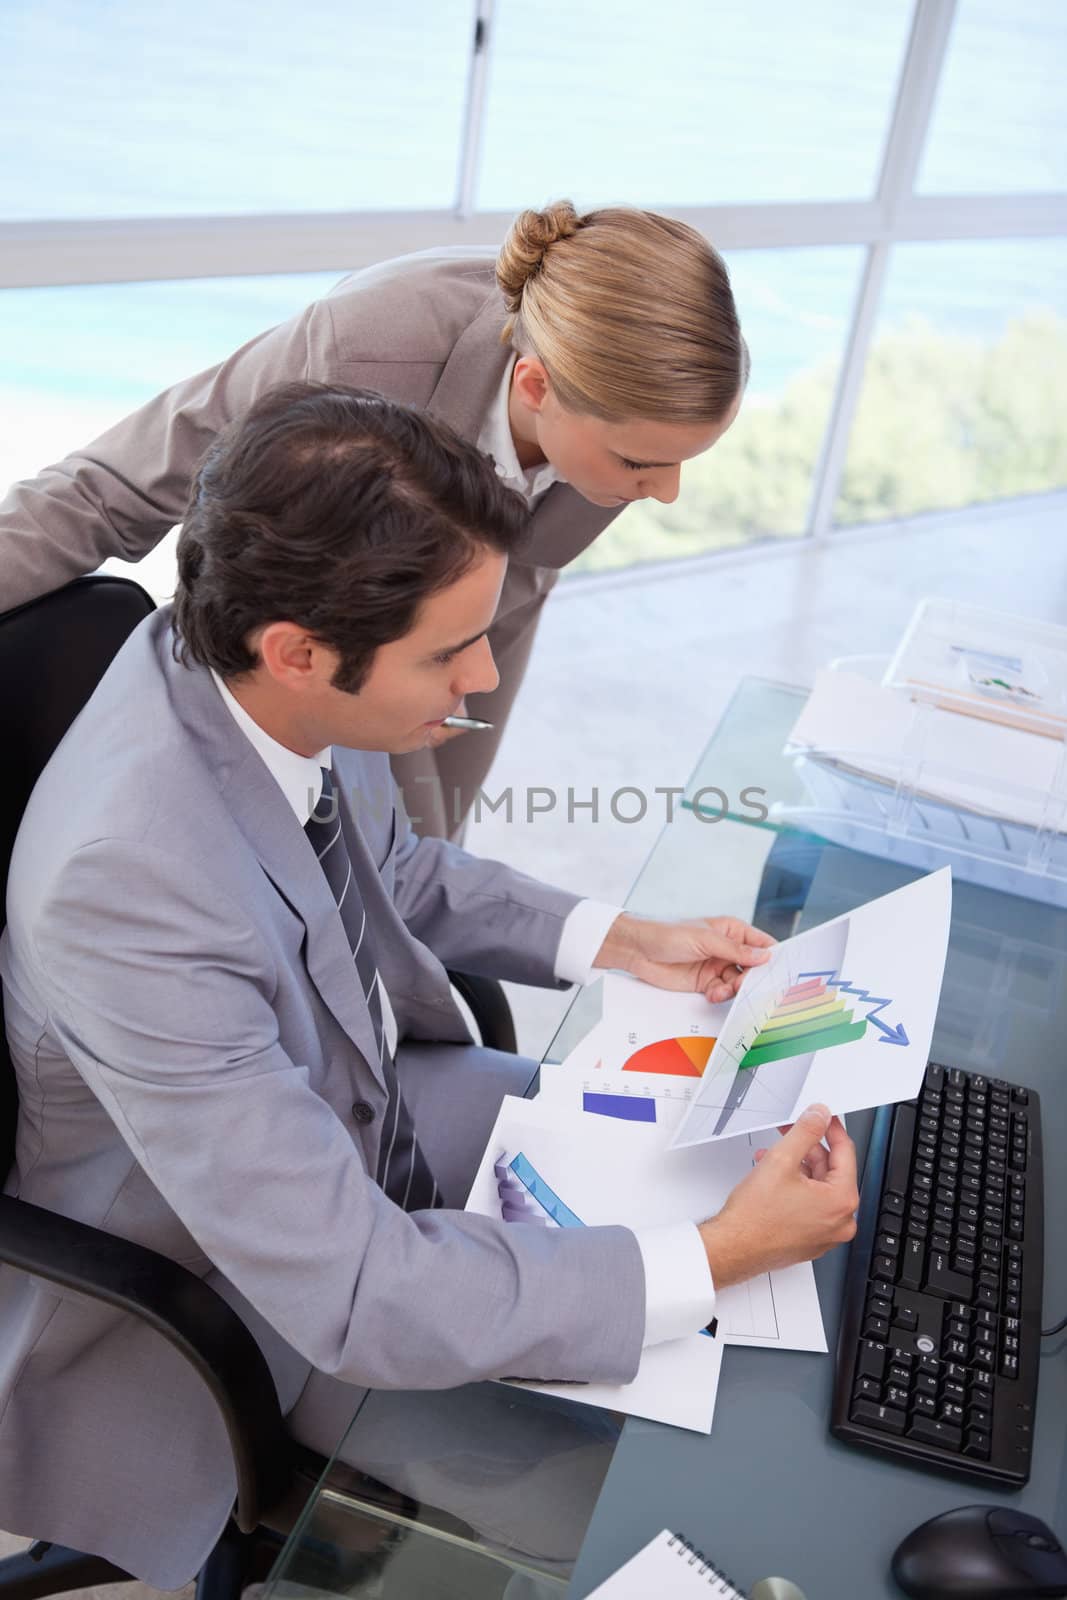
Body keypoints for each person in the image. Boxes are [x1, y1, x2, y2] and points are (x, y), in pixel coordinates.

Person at [0, 385, 857, 1588]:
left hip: (370, 1116)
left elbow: (386, 863)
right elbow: (354, 1289)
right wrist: (711, 1255)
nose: (476, 682)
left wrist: (623, 939)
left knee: (746, 1222)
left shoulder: (253, 664)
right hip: (240, 1291)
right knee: (716, 1525)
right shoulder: (128, 885)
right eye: (447, 653)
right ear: (297, 651)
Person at [0, 200, 747, 837]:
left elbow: (520, 576)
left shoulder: (651, 389)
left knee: (430, 848)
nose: (666, 491)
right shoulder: (365, 348)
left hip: (485, 621)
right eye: (637, 464)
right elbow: (107, 488)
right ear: (535, 385)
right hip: (316, 641)